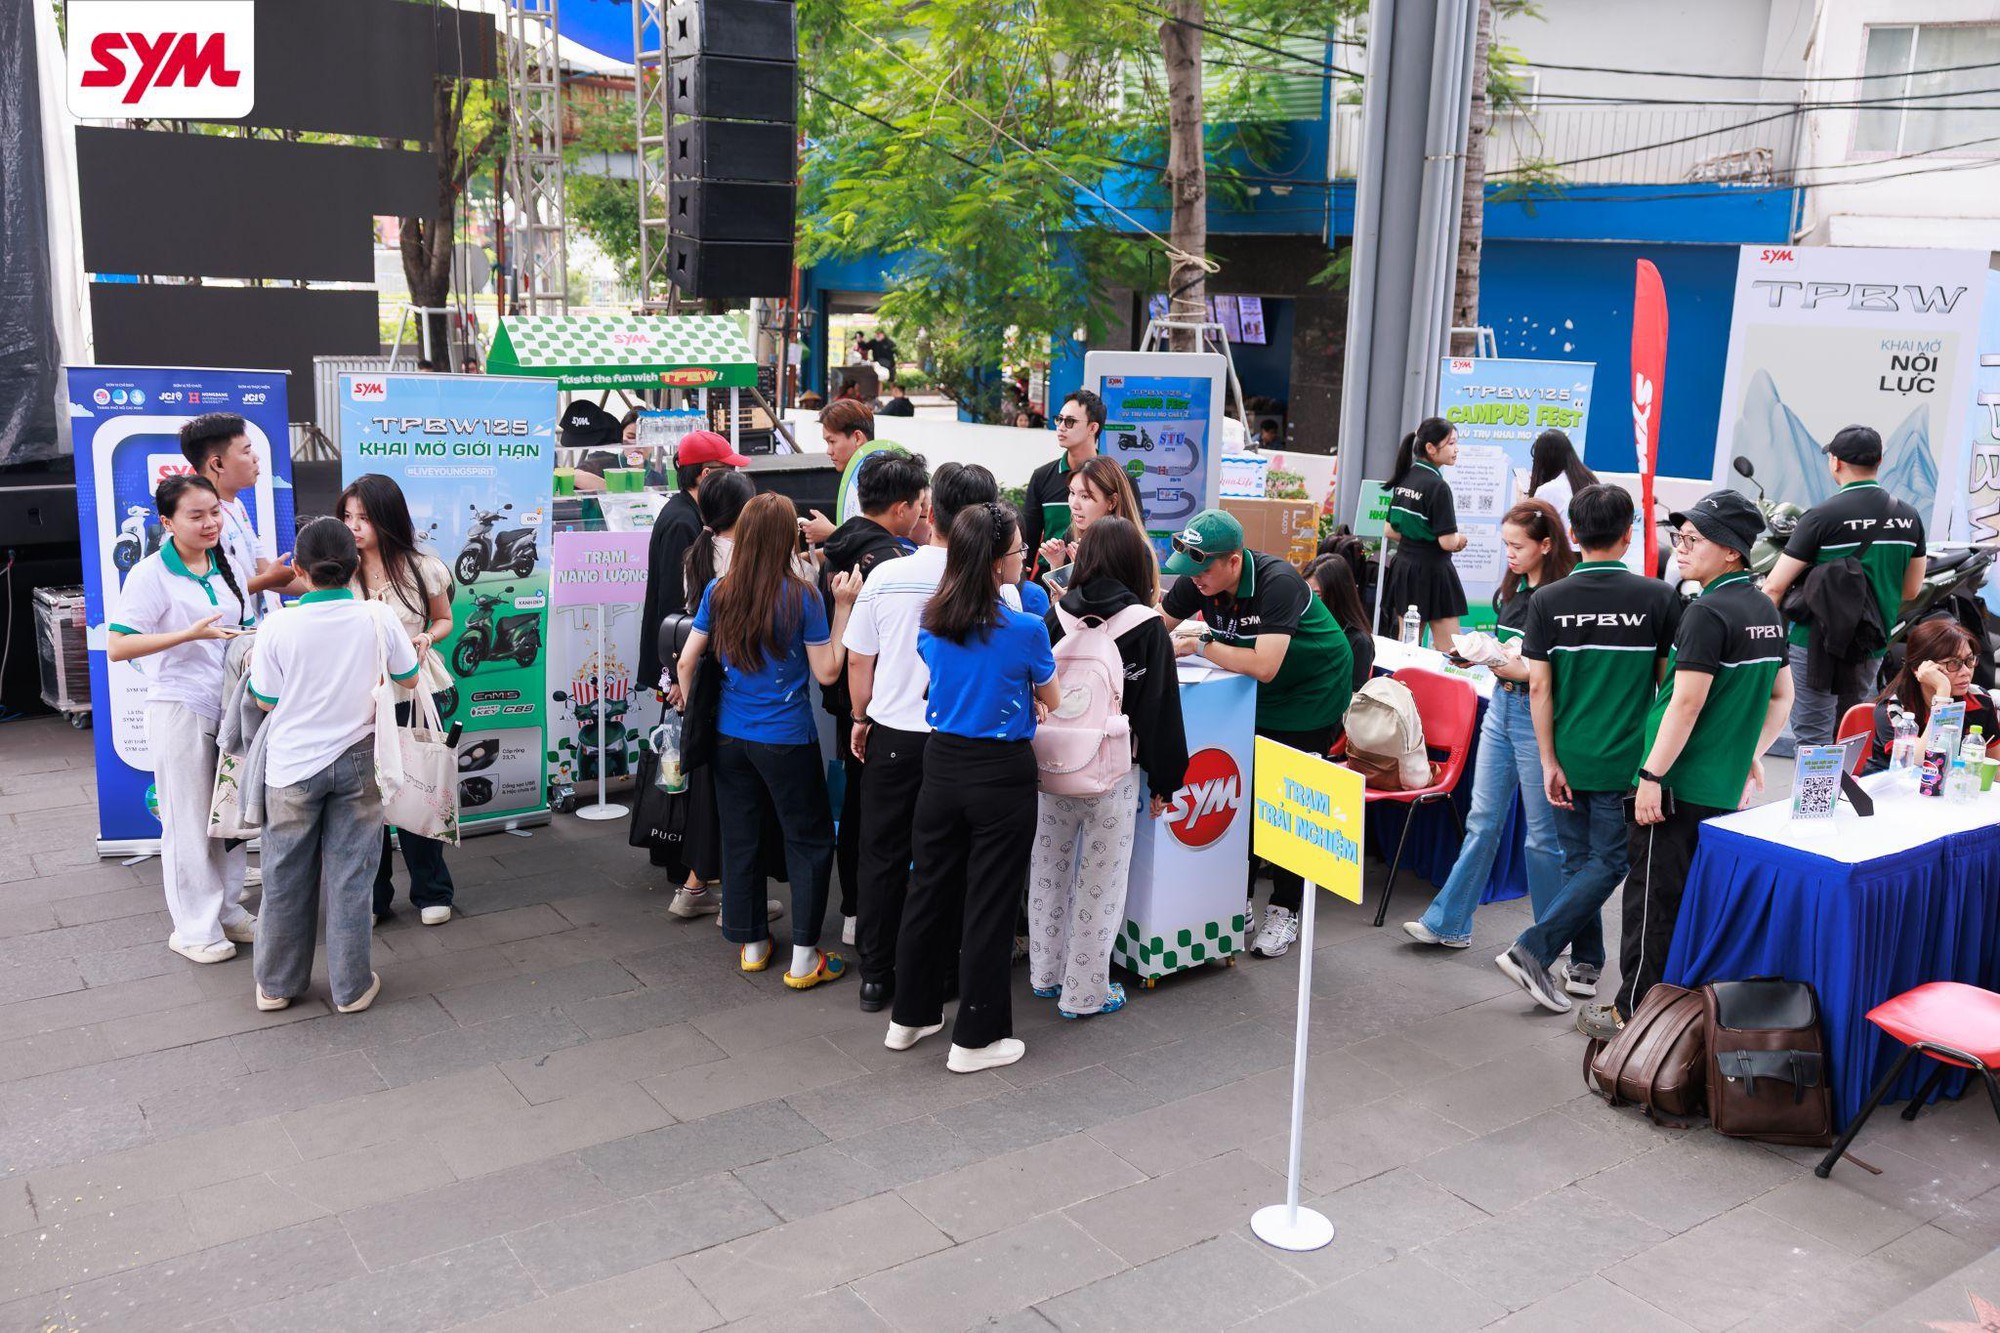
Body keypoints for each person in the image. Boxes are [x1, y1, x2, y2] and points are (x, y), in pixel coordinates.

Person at [1579, 491, 1792, 1035]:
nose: (1681, 547)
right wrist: (1749, 753)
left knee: (1651, 907)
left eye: (1694, 539)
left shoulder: (1708, 611)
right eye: (1680, 536)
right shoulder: (1765, 609)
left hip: (1674, 788)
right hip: (1719, 790)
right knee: (1689, 903)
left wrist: (1651, 776)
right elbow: (1779, 697)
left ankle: (1633, 1015)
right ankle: (1670, 1015)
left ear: (1732, 553)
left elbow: (1687, 701)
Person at [1491, 485, 1681, 1013]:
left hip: (1569, 756)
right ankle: (1535, 949)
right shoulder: (1659, 599)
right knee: (1611, 861)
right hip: (1628, 760)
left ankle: (1584, 964)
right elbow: (1667, 689)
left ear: (1572, 536)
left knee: (1582, 862)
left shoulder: (1548, 600)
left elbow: (1539, 688)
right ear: (1627, 536)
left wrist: (1549, 760)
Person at [887, 502, 1060, 1072]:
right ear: (993, 563)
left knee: (928, 889)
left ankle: (909, 1016)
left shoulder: (933, 623)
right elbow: (1052, 699)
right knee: (989, 902)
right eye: (1015, 552)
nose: (1021, 560)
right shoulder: (1028, 629)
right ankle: (976, 1038)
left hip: (941, 765)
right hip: (1001, 773)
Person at [675, 494, 861, 989]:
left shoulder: (720, 590)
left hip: (729, 739)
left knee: (741, 838)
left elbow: (686, 663)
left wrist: (701, 713)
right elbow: (827, 672)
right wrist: (842, 609)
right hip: (787, 739)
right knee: (809, 841)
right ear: (786, 538)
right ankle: (805, 957)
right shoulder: (803, 596)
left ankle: (752, 945)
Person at [845, 462, 1008, 1013]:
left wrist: (859, 717)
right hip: (963, 745)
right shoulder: (996, 591)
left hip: (892, 734)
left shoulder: (887, 577)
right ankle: (942, 974)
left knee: (883, 855)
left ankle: (876, 974)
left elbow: (859, 662)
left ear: (930, 512)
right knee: (949, 864)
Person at [1161, 510, 1353, 958]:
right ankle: (1238, 901)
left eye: (1204, 569)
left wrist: (1202, 643)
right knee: (1244, 799)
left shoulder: (1278, 582)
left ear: (1233, 560)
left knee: (1287, 801)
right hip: (1260, 695)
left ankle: (1286, 910)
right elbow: (1157, 625)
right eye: (1189, 571)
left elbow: (1265, 667)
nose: (1195, 580)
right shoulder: (1199, 574)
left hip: (1312, 693)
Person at [249, 518, 421, 1015]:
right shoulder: (377, 617)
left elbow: (265, 699)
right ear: (352, 567)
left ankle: (277, 986)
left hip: (290, 767)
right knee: (352, 875)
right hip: (360, 760)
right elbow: (408, 680)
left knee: (283, 875)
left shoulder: (277, 623)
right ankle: (350, 987)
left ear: (299, 568)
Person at [1029, 517, 1187, 1019]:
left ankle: (1044, 976)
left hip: (1051, 766)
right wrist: (1165, 781)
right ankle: (1084, 993)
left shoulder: (1056, 617)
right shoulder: (1145, 626)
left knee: (1048, 871)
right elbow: (1159, 711)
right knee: (1101, 881)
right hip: (1114, 773)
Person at [1405, 500, 1574, 951]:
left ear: (1546, 544)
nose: (1510, 555)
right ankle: (1449, 922)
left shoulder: (1558, 598)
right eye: (1505, 546)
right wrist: (1485, 655)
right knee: (1483, 821)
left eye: (1517, 546)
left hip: (1535, 713)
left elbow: (1540, 673)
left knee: (1542, 839)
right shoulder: (1515, 592)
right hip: (1502, 706)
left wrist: (1495, 657)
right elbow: (1514, 660)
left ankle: (1550, 942)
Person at [108, 476, 258, 964]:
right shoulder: (150, 574)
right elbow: (119, 645)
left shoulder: (226, 562)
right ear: (167, 522)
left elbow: (245, 624)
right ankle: (193, 928)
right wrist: (186, 635)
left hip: (234, 706)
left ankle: (229, 912)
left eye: (214, 511)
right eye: (196, 515)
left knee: (229, 816)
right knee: (189, 822)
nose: (211, 522)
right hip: (180, 706)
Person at [819, 451, 930, 944]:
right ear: (902, 507)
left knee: (859, 808)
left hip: (847, 700)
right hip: (877, 707)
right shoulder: (888, 559)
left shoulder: (837, 542)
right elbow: (876, 649)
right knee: (878, 818)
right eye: (921, 504)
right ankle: (867, 916)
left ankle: (854, 910)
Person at [1761, 425, 1928, 753]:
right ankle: (1839, 801)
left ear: (1835, 462)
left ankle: (1813, 805)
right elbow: (1911, 590)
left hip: (1813, 643)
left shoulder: (1822, 516)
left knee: (1813, 737)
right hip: (1870, 642)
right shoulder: (1909, 517)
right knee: (1848, 731)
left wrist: (1765, 643)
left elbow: (1774, 585)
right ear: (1879, 461)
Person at [339, 475, 458, 927]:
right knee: (366, 799)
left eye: (364, 518)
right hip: (359, 694)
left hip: (415, 687)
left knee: (416, 788)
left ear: (386, 518)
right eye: (347, 517)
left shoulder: (422, 566)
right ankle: (374, 897)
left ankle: (431, 890)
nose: (354, 526)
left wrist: (427, 636)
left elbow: (445, 618)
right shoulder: (337, 568)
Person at [638, 430, 748, 697]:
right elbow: (673, 600)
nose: (735, 476)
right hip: (679, 659)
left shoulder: (690, 512)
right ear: (707, 474)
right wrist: (675, 674)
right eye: (729, 469)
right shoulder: (682, 521)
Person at [180, 413, 301, 617]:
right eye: (246, 452)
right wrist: (268, 580)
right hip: (220, 638)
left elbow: (263, 569)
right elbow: (209, 591)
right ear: (217, 464)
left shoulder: (237, 505)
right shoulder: (196, 521)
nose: (255, 457)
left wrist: (327, 584)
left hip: (246, 635)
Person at [1864, 619, 1997, 773]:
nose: (1966, 672)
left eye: (1969, 660)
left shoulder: (1981, 699)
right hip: (1892, 790)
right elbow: (1919, 759)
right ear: (1919, 668)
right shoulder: (1893, 708)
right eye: (1953, 663)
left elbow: (1995, 767)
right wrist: (1943, 692)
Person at [1379, 418, 1469, 646]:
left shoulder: (1405, 477)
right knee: (1450, 650)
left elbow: (1389, 529)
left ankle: (1401, 683)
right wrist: (1460, 540)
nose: (1456, 449)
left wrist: (1418, 537)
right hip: (1434, 571)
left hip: (1405, 568)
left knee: (1408, 646)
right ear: (1430, 448)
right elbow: (1447, 542)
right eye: (1450, 443)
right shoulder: (1438, 486)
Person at [1022, 389, 1105, 572]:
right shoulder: (1042, 477)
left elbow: (1131, 537)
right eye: (1059, 419)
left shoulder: (1115, 479)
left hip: (1100, 576)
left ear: (1093, 428)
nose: (1061, 427)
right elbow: (1027, 542)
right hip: (1050, 578)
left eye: (1070, 422)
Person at [1037, 454, 1144, 582]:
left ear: (1112, 502)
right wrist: (1057, 565)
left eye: (1085, 496)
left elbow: (1118, 600)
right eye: (1072, 493)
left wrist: (1084, 571)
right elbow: (1061, 601)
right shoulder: (1071, 536)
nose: (1074, 505)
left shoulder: (1134, 550)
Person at [802, 400, 876, 544]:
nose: (828, 451)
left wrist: (832, 532)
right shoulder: (860, 475)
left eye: (832, 441)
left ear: (857, 438)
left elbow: (878, 544)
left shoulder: (883, 480)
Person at [1303, 553, 1375, 690]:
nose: (1310, 602)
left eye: (1317, 595)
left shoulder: (1358, 641)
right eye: (1307, 594)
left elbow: (1353, 698)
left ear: (1337, 594)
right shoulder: (1302, 627)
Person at [1525, 428, 1597, 534]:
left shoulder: (1547, 490)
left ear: (1543, 461)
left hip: (1562, 549)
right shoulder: (1589, 479)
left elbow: (1534, 533)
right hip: (1589, 548)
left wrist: (1523, 503)